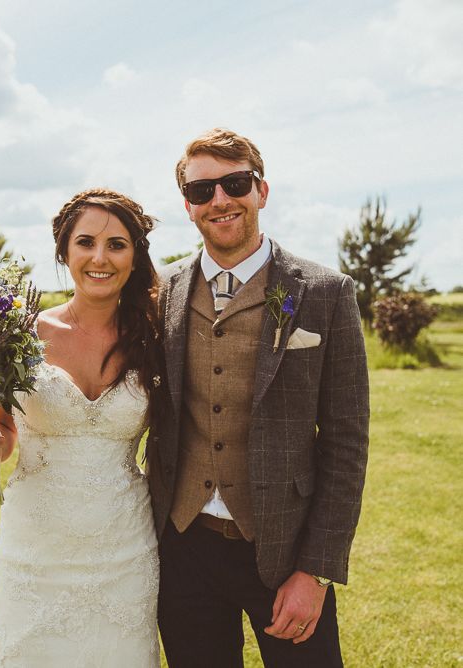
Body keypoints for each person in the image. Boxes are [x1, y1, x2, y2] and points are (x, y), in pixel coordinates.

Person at [147, 128, 370, 667]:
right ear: (188, 207)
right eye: (203, 191)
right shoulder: (162, 292)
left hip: (286, 549)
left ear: (261, 191)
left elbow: (345, 442)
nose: (220, 199)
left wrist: (315, 570)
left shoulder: (326, 293)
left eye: (235, 183)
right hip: (183, 546)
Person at [0, 189, 164, 667]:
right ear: (64, 252)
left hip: (125, 548)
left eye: (117, 244)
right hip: (37, 546)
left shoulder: (155, 338)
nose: (100, 257)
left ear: (135, 258)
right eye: (86, 242)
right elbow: (2, 429)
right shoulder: (17, 334)